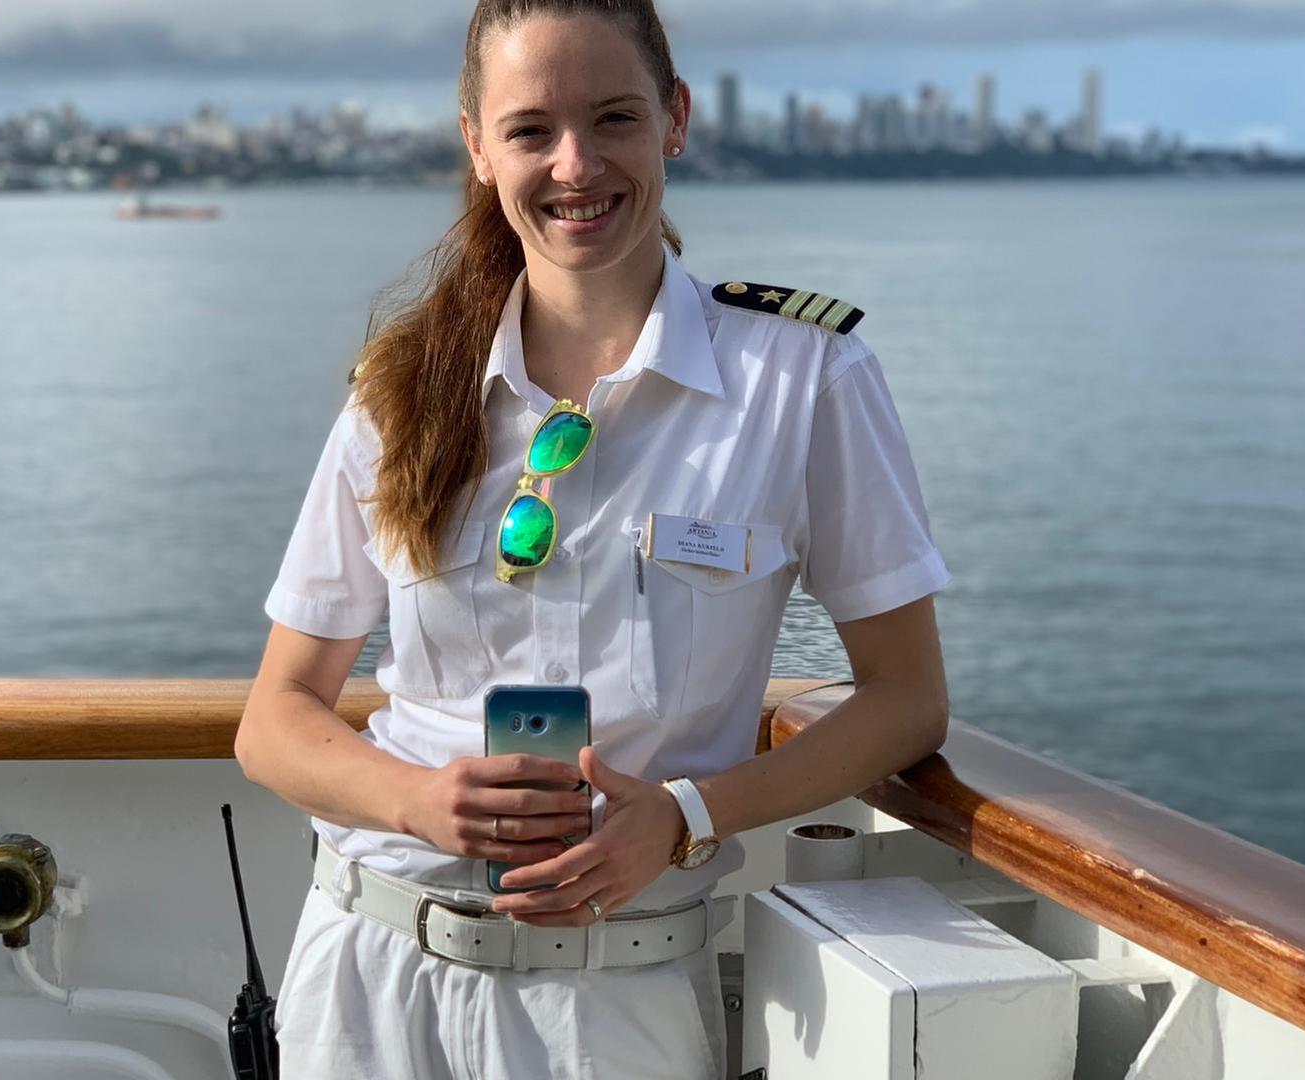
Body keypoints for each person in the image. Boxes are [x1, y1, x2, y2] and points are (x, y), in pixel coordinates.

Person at [234, 0, 951, 1075]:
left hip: (614, 999)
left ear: (676, 118)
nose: (576, 165)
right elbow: (274, 718)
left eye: (614, 117)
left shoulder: (803, 379)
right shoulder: (401, 391)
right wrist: (418, 802)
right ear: (478, 147)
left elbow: (906, 698)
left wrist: (686, 815)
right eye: (530, 130)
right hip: (368, 980)